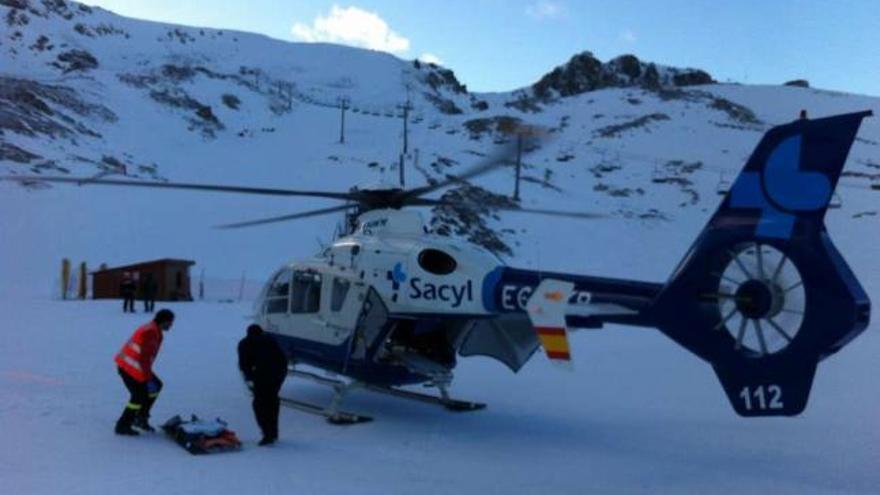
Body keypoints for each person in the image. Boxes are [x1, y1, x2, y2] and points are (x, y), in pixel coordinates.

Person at [113, 309, 175, 436]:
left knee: (156, 386)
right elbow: (144, 358)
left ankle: (141, 417)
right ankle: (122, 426)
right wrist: (146, 379)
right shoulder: (150, 333)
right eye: (170, 322)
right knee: (138, 395)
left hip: (135, 367)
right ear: (163, 321)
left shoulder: (154, 330)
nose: (171, 325)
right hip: (129, 368)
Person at [237, 324, 288, 446]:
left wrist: (250, 379)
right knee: (272, 402)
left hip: (262, 376)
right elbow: (283, 359)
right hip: (277, 375)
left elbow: (244, 365)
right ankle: (273, 432)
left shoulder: (245, 343)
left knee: (260, 405)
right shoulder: (271, 340)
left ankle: (267, 434)